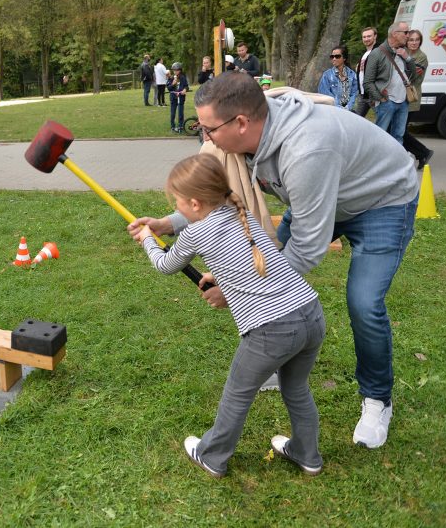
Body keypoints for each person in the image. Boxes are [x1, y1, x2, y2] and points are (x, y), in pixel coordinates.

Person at [129, 72, 419, 449]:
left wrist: (236, 289)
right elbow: (219, 201)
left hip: (382, 201)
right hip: (316, 196)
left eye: (208, 128)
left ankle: (378, 399)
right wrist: (169, 222)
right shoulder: (247, 139)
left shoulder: (306, 150)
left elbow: (307, 247)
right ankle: (277, 355)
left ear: (241, 123)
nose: (204, 137)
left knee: (364, 302)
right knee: (267, 263)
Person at [130, 153, 325, 477]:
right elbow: (241, 257)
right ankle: (307, 454)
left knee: (237, 394)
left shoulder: (194, 233)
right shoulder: (238, 210)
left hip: (272, 329)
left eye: (177, 202)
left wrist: (149, 239)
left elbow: (165, 265)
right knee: (297, 389)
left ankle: (212, 456)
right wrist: (220, 276)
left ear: (194, 203)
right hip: (310, 314)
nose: (175, 208)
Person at [363, 22, 416, 144]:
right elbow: (367, 82)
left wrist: (407, 58)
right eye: (406, 32)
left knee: (398, 136)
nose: (408, 36)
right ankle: (377, 161)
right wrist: (380, 98)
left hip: (403, 101)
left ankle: (395, 162)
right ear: (394, 34)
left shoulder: (403, 52)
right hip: (387, 102)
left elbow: (414, 74)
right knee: (380, 136)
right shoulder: (377, 53)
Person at [403, 29, 434, 169]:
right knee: (397, 130)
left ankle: (423, 152)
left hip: (410, 99)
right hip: (399, 98)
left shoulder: (421, 57)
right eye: (411, 40)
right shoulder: (403, 52)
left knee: (399, 131)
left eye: (417, 40)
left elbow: (412, 75)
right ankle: (420, 153)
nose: (414, 42)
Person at [317, 45, 358, 110]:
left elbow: (354, 94)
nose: (334, 59)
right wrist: (339, 108)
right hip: (333, 110)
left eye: (337, 56)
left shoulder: (352, 75)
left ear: (344, 58)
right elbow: (325, 94)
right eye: (332, 56)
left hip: (349, 112)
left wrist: (348, 108)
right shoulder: (326, 75)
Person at [353, 27, 378, 117]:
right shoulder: (365, 53)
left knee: (383, 121)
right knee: (356, 120)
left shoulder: (378, 52)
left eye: (369, 36)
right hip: (363, 94)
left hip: (374, 94)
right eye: (364, 37)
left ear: (375, 36)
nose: (366, 39)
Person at [167, 62, 189, 133]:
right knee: (173, 113)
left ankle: (180, 126)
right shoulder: (171, 78)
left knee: (180, 113)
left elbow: (186, 86)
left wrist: (185, 89)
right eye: (174, 70)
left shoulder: (183, 78)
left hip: (181, 98)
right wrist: (173, 83)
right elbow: (169, 88)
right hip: (173, 98)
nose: (175, 72)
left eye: (177, 70)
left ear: (180, 70)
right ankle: (172, 126)